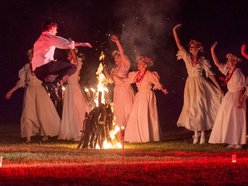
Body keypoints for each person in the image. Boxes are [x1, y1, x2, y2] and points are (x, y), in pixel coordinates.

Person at [173, 24, 223, 144]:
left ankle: (203, 134)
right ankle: (196, 134)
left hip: (200, 83)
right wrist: (174, 31)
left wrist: (219, 87)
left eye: (193, 47)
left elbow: (210, 74)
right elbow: (179, 44)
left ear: (198, 49)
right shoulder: (186, 57)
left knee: (200, 107)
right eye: (190, 47)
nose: (190, 49)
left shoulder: (203, 61)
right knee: (192, 107)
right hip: (190, 84)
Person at [5, 49, 60, 143]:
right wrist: (11, 91)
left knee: (42, 113)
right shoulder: (26, 68)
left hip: (40, 91)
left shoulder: (42, 66)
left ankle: (46, 134)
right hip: (30, 91)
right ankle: (28, 137)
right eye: (29, 56)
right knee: (27, 113)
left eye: (32, 56)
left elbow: (51, 76)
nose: (31, 58)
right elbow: (21, 82)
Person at [31, 19, 92, 101]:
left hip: (37, 72)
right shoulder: (48, 37)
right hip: (46, 66)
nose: (56, 32)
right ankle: (56, 84)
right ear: (52, 27)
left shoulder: (37, 41)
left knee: (51, 78)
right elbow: (65, 44)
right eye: (56, 29)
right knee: (73, 67)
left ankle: (50, 86)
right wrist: (82, 44)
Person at [208, 42, 246, 149]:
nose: (227, 61)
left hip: (236, 96)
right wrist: (212, 51)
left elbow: (240, 87)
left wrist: (238, 100)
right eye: (227, 59)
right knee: (229, 118)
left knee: (236, 118)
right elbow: (217, 64)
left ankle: (238, 141)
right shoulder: (228, 70)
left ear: (234, 61)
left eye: (229, 59)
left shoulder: (237, 72)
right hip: (229, 96)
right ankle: (232, 140)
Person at [124, 55, 168, 143]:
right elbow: (127, 80)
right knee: (135, 115)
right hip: (139, 96)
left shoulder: (150, 74)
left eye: (140, 64)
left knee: (146, 115)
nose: (138, 65)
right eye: (138, 63)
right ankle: (135, 137)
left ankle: (147, 136)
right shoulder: (136, 74)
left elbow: (157, 83)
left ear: (145, 65)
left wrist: (163, 89)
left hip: (147, 95)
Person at [104, 35, 135, 128]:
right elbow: (110, 80)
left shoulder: (125, 65)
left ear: (122, 58)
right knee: (119, 110)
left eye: (117, 58)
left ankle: (131, 129)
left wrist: (117, 42)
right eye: (115, 59)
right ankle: (121, 129)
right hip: (117, 90)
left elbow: (121, 52)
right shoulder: (114, 69)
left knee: (127, 109)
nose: (115, 60)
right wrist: (105, 71)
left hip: (125, 89)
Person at [58, 48, 89, 141]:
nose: (67, 56)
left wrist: (71, 48)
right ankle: (71, 132)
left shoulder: (76, 63)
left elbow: (75, 59)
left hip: (75, 88)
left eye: (69, 54)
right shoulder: (69, 65)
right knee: (70, 110)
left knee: (77, 108)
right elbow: (67, 77)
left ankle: (79, 132)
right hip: (69, 89)